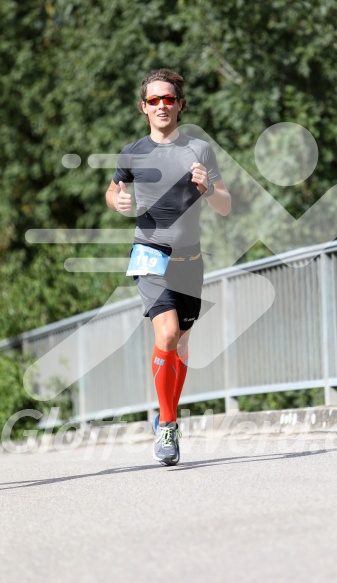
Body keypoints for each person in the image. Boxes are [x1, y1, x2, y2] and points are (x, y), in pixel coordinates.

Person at [105, 68, 231, 465]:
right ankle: (168, 424)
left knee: (182, 343)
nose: (162, 105)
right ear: (143, 107)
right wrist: (117, 202)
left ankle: (167, 417)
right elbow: (114, 189)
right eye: (154, 100)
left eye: (169, 99)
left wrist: (208, 189)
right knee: (168, 332)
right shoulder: (133, 152)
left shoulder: (199, 150)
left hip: (189, 259)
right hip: (149, 253)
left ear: (180, 104)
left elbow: (226, 206)